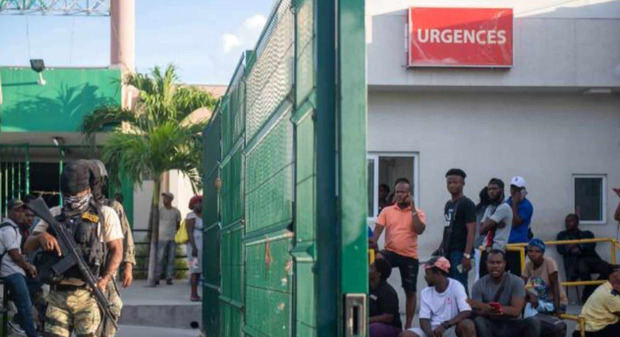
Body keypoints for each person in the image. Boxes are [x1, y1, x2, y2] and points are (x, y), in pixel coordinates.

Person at [23, 160, 124, 337]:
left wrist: (105, 279)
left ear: (89, 190)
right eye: (69, 194)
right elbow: (27, 246)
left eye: (78, 193)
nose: (73, 197)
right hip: (57, 295)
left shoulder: (105, 214)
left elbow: (117, 250)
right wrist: (41, 237)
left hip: (88, 294)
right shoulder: (54, 213)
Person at [88, 159, 136, 336]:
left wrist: (128, 265)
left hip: (107, 269)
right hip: (83, 272)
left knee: (112, 308)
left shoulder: (112, 207)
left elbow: (126, 237)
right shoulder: (74, 208)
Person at [371, 180, 426, 329]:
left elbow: (419, 229)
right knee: (376, 259)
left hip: (409, 256)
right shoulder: (387, 211)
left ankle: (408, 326)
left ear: (409, 194)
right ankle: (378, 298)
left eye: (403, 192)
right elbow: (376, 233)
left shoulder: (418, 212)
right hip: (390, 252)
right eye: (397, 192)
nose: (399, 195)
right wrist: (372, 245)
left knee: (410, 290)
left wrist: (412, 207)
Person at [468, 249, 540, 337]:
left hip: (513, 324)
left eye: (498, 262)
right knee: (479, 321)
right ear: (486, 263)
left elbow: (516, 311)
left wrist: (495, 309)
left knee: (533, 322)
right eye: (491, 262)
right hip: (492, 324)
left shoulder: (517, 281)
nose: (495, 266)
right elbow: (477, 311)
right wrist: (488, 310)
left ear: (504, 263)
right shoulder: (478, 285)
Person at [400, 256, 475, 337]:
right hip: (433, 331)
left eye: (428, 273)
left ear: (438, 273)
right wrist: (430, 334)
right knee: (406, 335)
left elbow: (466, 311)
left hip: (451, 328)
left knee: (467, 325)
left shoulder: (456, 286)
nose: (425, 277)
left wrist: (445, 325)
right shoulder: (425, 292)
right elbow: (424, 319)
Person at [0, 199, 39, 337]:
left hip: (16, 270)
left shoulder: (15, 228)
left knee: (37, 284)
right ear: (10, 211)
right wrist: (28, 266)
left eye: (22, 210)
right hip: (10, 272)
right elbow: (15, 256)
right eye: (17, 210)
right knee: (25, 305)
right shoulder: (7, 229)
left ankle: (20, 320)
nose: (21, 214)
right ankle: (31, 333)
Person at [556, 213, 612, 302]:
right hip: (574, 265)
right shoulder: (562, 235)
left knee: (611, 269)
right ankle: (588, 295)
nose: (567, 223)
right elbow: (561, 250)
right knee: (583, 265)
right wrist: (573, 248)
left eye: (570, 221)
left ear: (577, 222)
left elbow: (591, 245)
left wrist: (578, 245)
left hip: (592, 261)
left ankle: (590, 290)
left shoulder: (587, 234)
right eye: (566, 221)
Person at [439, 168, 476, 290]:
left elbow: (471, 231)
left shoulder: (467, 203)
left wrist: (467, 255)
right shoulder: (448, 204)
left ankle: (465, 309)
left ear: (463, 183)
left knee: (460, 286)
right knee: (448, 285)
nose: (452, 185)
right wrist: (441, 248)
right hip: (447, 251)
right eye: (449, 182)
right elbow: (447, 227)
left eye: (455, 182)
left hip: (460, 252)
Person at [522, 238, 567, 337]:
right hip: (542, 302)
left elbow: (555, 287)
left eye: (537, 251)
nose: (533, 254)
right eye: (530, 251)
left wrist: (557, 309)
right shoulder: (528, 265)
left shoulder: (549, 262)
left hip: (555, 302)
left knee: (531, 312)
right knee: (526, 303)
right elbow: (520, 285)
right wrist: (529, 294)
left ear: (542, 253)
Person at [478, 178, 513, 277]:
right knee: (484, 283)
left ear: (501, 190)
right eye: (489, 189)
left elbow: (485, 228)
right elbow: (481, 229)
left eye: (494, 189)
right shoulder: (490, 208)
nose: (491, 192)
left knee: (497, 283)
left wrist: (490, 224)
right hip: (486, 249)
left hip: (498, 251)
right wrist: (496, 224)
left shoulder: (504, 207)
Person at [579, 265, 620, 337]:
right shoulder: (609, 293)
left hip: (594, 327)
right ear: (613, 276)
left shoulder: (607, 287)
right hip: (593, 331)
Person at [506, 176, 534, 276]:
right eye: (512, 188)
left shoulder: (526, 205)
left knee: (516, 275)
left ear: (523, 191)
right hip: (505, 244)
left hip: (518, 245)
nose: (513, 191)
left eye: (517, 189)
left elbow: (515, 222)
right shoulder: (507, 202)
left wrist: (514, 203)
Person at [369, 258, 402, 337]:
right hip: (372, 323)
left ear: (378, 273)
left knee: (371, 329)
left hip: (391, 327)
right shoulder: (367, 287)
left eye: (371, 268)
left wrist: (366, 320)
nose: (368, 270)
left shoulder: (388, 291)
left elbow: (388, 317)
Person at [157, 192, 181, 285]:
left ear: (171, 200)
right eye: (163, 198)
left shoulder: (176, 211)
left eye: (166, 198)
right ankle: (157, 276)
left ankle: (169, 277)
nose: (164, 200)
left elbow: (178, 224)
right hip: (161, 237)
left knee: (171, 258)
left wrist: (175, 233)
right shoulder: (160, 211)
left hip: (172, 237)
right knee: (160, 258)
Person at [186, 195, 203, 301]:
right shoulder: (191, 216)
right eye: (198, 202)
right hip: (194, 248)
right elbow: (189, 233)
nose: (200, 204)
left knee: (200, 270)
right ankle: (193, 294)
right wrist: (194, 248)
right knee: (195, 270)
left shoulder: (203, 216)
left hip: (202, 246)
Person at [474, 186, 490, 282]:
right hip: (485, 244)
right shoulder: (489, 210)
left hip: (477, 245)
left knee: (478, 273)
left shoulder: (476, 209)